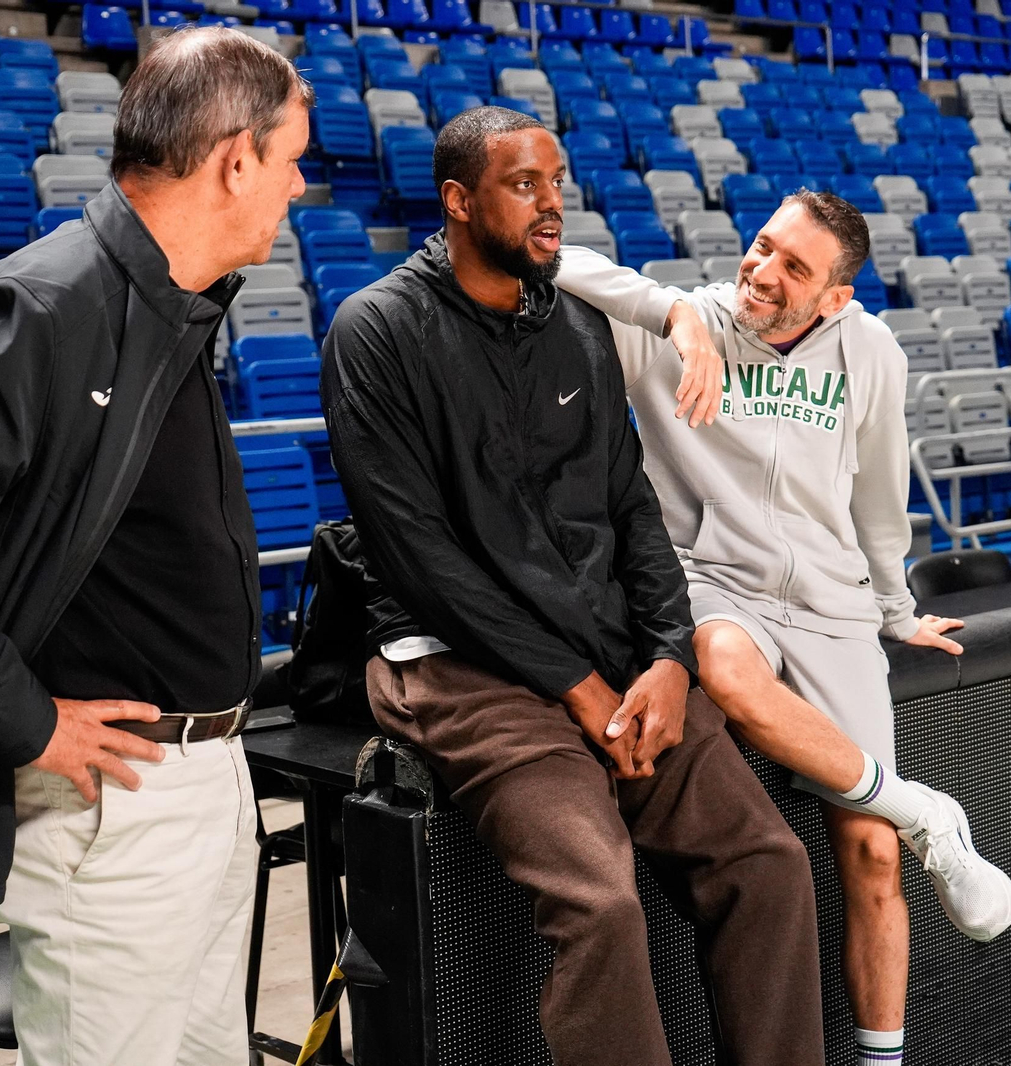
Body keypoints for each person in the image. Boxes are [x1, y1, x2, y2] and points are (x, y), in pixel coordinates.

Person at [0, 29, 312, 1066]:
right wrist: (27, 721)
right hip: (110, 807)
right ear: (234, 159)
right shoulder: (49, 304)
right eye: (292, 158)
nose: (299, 187)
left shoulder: (172, 306)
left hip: (207, 780)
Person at [319, 106, 824, 1066]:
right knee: (600, 903)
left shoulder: (579, 326)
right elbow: (420, 560)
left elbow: (631, 508)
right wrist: (578, 687)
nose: (553, 206)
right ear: (459, 201)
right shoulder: (377, 329)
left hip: (615, 659)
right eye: (523, 185)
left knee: (770, 865)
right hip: (463, 670)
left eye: (557, 182)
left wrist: (671, 660)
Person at [554, 190, 1011, 1066]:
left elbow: (881, 494)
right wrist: (675, 317)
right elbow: (555, 261)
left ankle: (885, 1052)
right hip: (713, 579)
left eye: (793, 266)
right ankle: (928, 812)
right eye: (762, 246)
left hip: (830, 602)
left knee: (873, 854)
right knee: (726, 670)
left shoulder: (872, 349)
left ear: (836, 296)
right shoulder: (680, 322)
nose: (763, 272)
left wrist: (895, 609)